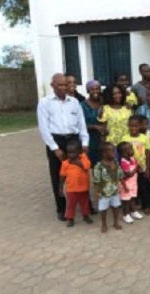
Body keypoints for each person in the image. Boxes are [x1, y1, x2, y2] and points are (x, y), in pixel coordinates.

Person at [37, 73, 89, 221]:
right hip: (56, 140)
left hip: (74, 141)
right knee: (58, 175)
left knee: (80, 171)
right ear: (52, 85)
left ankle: (86, 206)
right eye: (59, 85)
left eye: (65, 85)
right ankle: (62, 208)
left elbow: (81, 124)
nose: (63, 87)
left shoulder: (74, 102)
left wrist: (85, 143)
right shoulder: (45, 103)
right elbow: (44, 128)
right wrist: (55, 148)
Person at [121, 116, 150, 214]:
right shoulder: (124, 138)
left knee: (143, 187)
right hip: (129, 169)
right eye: (131, 126)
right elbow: (121, 154)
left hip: (141, 167)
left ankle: (146, 205)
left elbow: (148, 153)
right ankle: (130, 207)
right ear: (128, 126)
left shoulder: (144, 138)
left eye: (136, 126)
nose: (133, 128)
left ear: (140, 126)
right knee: (130, 187)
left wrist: (147, 168)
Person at [59, 139, 93, 227]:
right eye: (69, 152)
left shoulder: (84, 158)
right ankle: (70, 218)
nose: (71, 155)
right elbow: (62, 176)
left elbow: (87, 166)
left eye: (73, 152)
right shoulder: (65, 163)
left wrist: (78, 163)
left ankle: (86, 215)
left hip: (83, 187)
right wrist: (60, 187)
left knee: (84, 203)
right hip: (71, 189)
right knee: (71, 204)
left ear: (80, 152)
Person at [93, 142, 124, 233]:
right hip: (104, 193)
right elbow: (96, 181)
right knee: (103, 209)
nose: (114, 153)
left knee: (116, 207)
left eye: (114, 151)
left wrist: (123, 184)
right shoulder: (98, 166)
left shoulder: (115, 162)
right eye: (112, 151)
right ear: (104, 153)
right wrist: (96, 192)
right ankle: (104, 224)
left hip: (115, 191)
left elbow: (120, 174)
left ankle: (115, 222)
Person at [81, 80, 106, 167]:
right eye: (92, 89)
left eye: (97, 89)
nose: (95, 91)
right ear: (88, 91)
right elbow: (80, 125)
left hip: (103, 140)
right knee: (88, 165)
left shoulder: (105, 104)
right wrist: (95, 127)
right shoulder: (82, 106)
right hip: (89, 140)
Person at [117, 142, 142, 224]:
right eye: (130, 149)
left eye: (132, 148)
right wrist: (137, 167)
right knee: (126, 201)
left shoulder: (133, 159)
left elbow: (137, 169)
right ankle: (126, 214)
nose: (132, 150)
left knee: (132, 198)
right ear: (124, 153)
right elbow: (129, 174)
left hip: (133, 183)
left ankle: (133, 211)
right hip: (126, 184)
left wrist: (139, 168)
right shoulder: (123, 162)